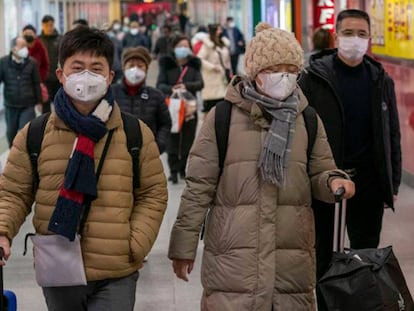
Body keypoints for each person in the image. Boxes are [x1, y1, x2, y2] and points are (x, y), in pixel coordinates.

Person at [168, 22, 355, 310]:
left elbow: (321, 171)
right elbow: (198, 189)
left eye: (292, 70)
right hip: (233, 261)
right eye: (275, 69)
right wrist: (183, 247)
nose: (285, 77)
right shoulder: (222, 117)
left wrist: (333, 182)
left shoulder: (307, 119)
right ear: (255, 73)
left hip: (290, 262)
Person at [0, 26, 167, 311]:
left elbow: (153, 192)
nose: (86, 76)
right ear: (61, 75)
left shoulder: (133, 132)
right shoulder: (36, 133)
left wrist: (135, 243)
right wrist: (3, 231)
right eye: (77, 67)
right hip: (59, 266)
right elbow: (14, 192)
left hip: (116, 269)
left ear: (110, 76)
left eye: (96, 68)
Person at [299, 9, 401, 306]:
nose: (354, 40)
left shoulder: (380, 79)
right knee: (324, 258)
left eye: (361, 34)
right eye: (348, 33)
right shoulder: (315, 78)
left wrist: (391, 181)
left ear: (369, 39)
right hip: (326, 182)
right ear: (336, 35)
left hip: (368, 182)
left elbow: (390, 134)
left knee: (366, 255)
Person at [157, 35, 204, 184]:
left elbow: (200, 83)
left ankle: (184, 168)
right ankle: (173, 171)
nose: (183, 49)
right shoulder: (166, 64)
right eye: (180, 46)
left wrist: (187, 86)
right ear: (174, 48)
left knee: (188, 138)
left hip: (189, 108)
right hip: (172, 107)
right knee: (172, 138)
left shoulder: (194, 65)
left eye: (186, 46)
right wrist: (172, 88)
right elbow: (160, 85)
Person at [112, 46, 171, 154]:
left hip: (147, 155)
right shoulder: (111, 93)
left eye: (140, 66)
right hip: (116, 155)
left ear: (146, 69)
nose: (135, 70)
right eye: (131, 65)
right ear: (124, 68)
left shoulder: (156, 95)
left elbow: (165, 124)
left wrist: (158, 146)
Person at [0, 37, 41, 147]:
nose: (25, 49)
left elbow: (36, 83)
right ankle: (13, 155)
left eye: (26, 46)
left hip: (28, 104)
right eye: (22, 46)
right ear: (14, 48)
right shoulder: (3, 62)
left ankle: (25, 158)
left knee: (25, 132)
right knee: (11, 133)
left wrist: (39, 102)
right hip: (11, 105)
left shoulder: (32, 63)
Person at [198, 23, 231, 113]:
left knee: (222, 101)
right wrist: (212, 67)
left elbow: (227, 60)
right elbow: (199, 59)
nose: (221, 31)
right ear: (214, 31)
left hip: (223, 77)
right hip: (211, 78)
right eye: (219, 29)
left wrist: (229, 70)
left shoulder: (223, 42)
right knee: (211, 105)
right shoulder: (207, 45)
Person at [39, 15, 62, 113]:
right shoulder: (38, 40)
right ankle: (46, 127)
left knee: (59, 106)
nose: (49, 27)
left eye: (51, 25)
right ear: (42, 25)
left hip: (58, 78)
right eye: (46, 25)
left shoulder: (60, 39)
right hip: (44, 79)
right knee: (45, 108)